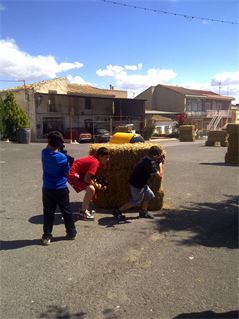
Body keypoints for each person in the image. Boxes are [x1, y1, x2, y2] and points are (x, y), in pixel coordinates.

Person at [41, 131, 77, 245]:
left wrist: (55, 142)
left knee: (48, 212)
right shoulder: (62, 158)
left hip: (47, 188)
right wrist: (68, 164)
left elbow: (49, 147)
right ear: (59, 144)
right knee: (66, 210)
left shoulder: (44, 153)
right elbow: (67, 174)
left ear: (49, 142)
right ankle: (71, 232)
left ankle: (47, 235)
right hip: (60, 188)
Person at [113, 146, 165, 221]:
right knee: (136, 201)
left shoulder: (146, 158)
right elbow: (160, 176)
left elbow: (151, 165)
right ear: (154, 155)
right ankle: (118, 211)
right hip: (136, 184)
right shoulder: (149, 163)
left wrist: (157, 161)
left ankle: (143, 212)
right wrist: (160, 164)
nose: (159, 157)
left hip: (141, 183)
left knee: (149, 195)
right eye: (158, 155)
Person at [67, 147, 110, 221]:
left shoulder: (95, 159)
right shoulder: (95, 163)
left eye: (108, 157)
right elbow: (86, 179)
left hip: (78, 173)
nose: (108, 159)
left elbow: (88, 176)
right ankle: (83, 212)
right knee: (91, 189)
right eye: (106, 157)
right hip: (72, 175)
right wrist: (97, 186)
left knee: (91, 187)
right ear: (100, 156)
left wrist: (95, 183)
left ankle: (85, 208)